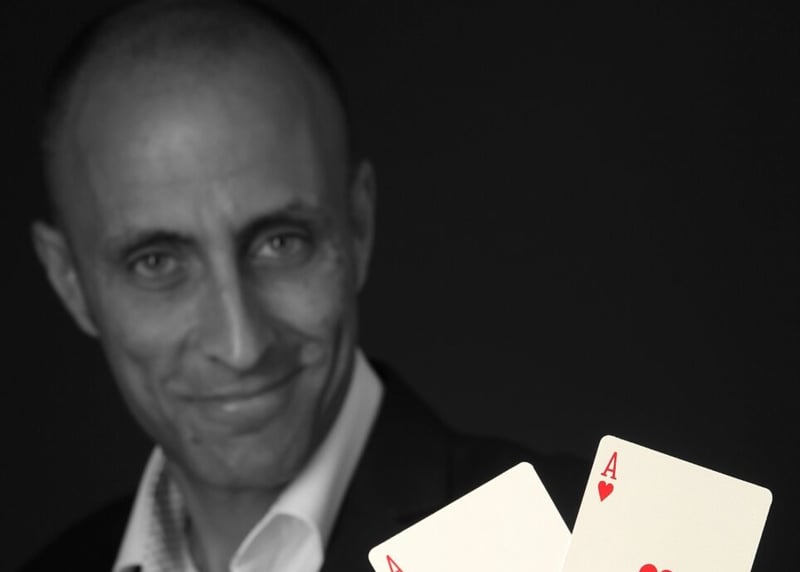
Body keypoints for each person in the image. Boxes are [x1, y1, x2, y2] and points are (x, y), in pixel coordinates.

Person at [20, 0, 587, 570]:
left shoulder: (587, 547)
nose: (241, 346)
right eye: (156, 262)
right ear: (70, 282)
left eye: (281, 243)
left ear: (358, 226)